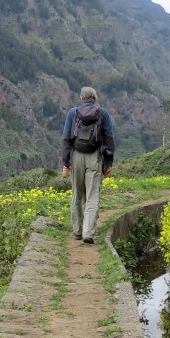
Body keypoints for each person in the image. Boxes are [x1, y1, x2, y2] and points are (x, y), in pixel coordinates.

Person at [61, 86, 115, 243]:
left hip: (76, 156)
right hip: (94, 156)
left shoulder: (73, 113)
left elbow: (66, 138)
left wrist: (66, 162)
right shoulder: (103, 113)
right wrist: (108, 162)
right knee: (92, 196)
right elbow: (109, 138)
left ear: (81, 98)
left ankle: (77, 231)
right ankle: (88, 233)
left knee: (77, 195)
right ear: (95, 99)